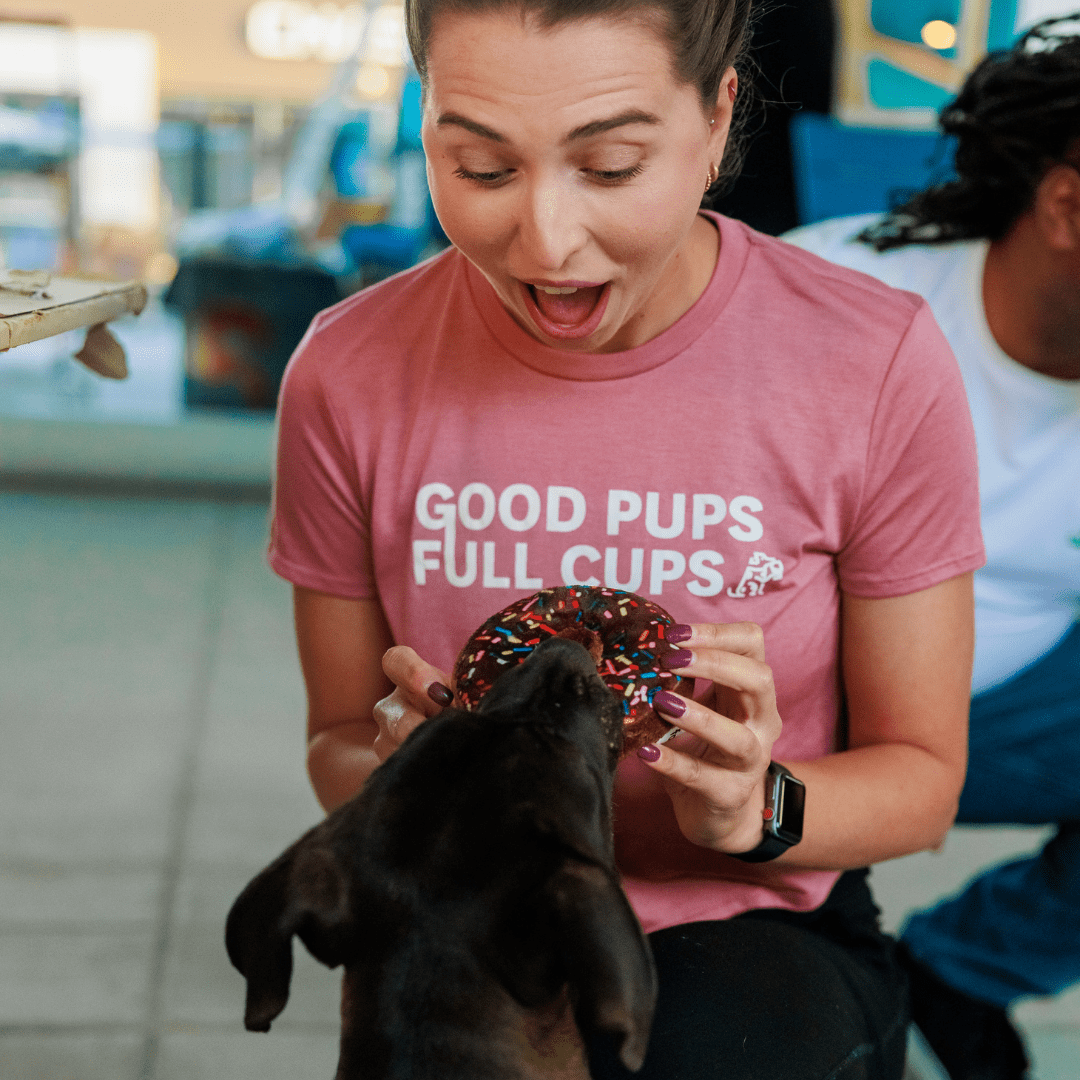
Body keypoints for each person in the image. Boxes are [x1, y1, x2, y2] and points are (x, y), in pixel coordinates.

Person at [268, 0, 985, 1076]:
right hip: (475, 926)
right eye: (482, 168)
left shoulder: (869, 363)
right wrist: (402, 775)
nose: (547, 242)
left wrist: (757, 804)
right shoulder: (348, 370)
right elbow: (335, 738)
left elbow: (922, 781)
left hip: (755, 923)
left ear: (714, 122)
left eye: (609, 168)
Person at [785, 15, 1080, 1080]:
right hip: (785, 706)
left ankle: (965, 966)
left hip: (993, 719)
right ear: (1065, 205)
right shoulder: (826, 302)